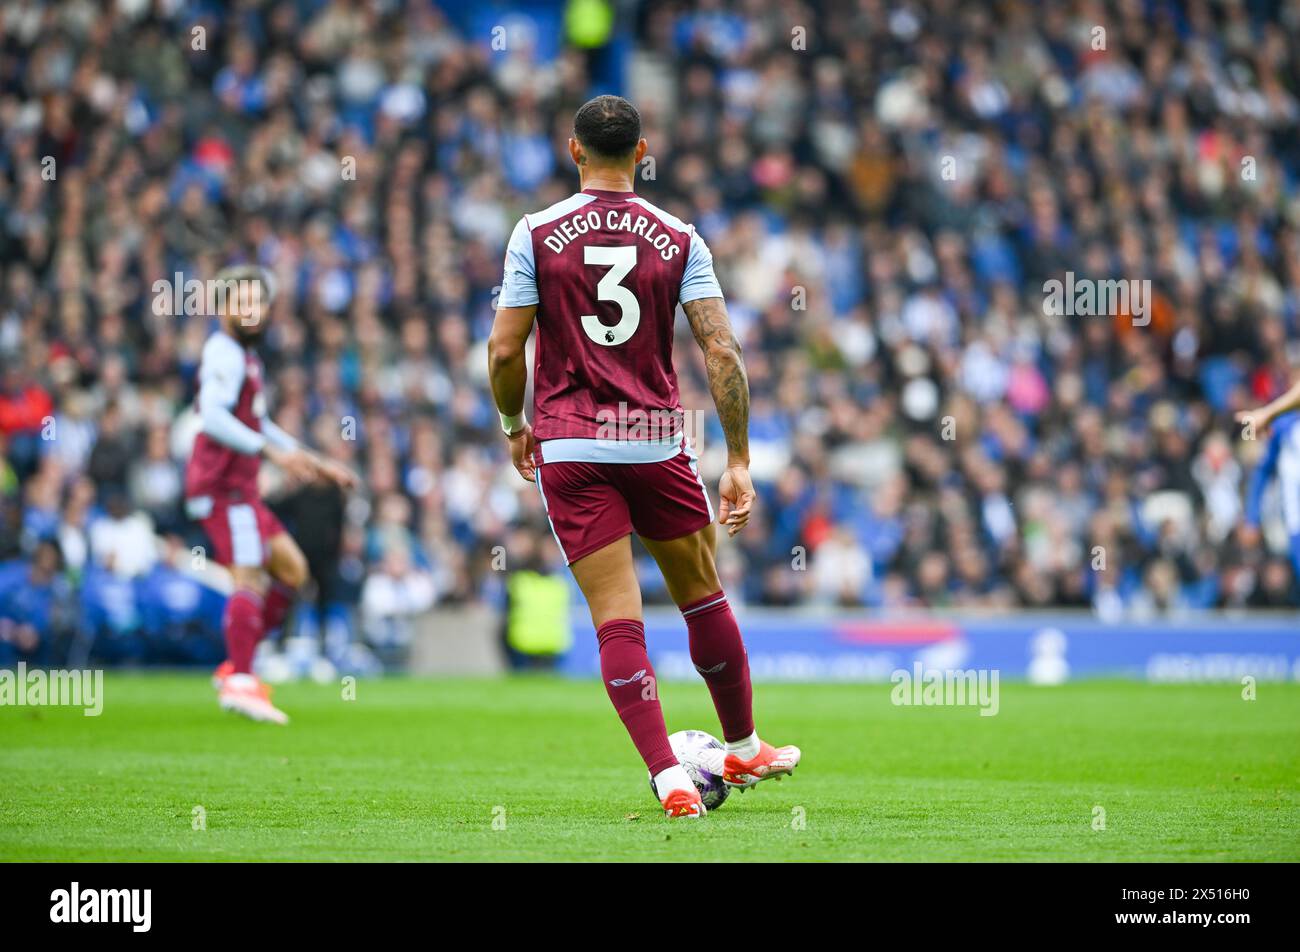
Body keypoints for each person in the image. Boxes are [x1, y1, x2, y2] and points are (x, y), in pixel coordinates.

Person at [487, 95, 800, 819]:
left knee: (616, 619)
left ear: (574, 151)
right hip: (652, 436)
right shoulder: (678, 237)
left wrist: (513, 423)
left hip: (569, 439)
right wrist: (741, 458)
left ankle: (669, 777)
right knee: (701, 592)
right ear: (641, 151)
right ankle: (744, 741)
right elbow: (720, 346)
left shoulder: (534, 233)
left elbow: (505, 348)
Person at [184, 266, 357, 723]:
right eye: (243, 303)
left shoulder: (246, 356)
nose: (253, 311)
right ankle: (242, 679)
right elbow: (213, 417)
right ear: (224, 309)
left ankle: (238, 664)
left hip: (242, 490)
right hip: (224, 488)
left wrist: (313, 460)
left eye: (259, 303)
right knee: (249, 578)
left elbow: (257, 422)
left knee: (294, 571)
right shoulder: (223, 354)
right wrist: (272, 456)